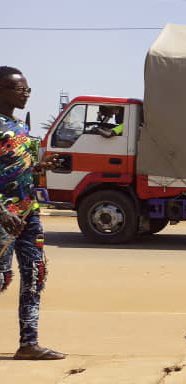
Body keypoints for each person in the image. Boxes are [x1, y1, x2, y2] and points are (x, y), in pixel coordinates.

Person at [0, 66, 65, 360]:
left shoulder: (20, 126)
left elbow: (17, 167)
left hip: (29, 213)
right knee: (2, 278)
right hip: (5, 215)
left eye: (28, 89)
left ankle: (29, 343)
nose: (26, 94)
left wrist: (40, 167)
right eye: (20, 89)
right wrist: (2, 212)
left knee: (35, 274)